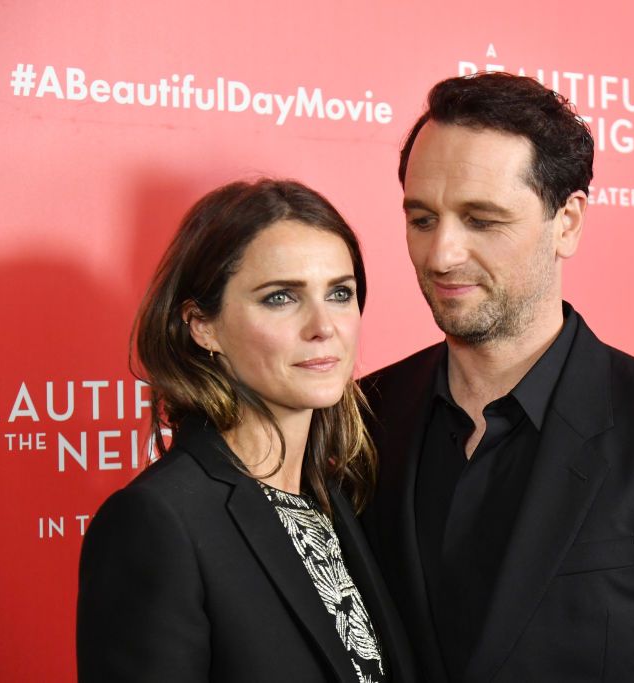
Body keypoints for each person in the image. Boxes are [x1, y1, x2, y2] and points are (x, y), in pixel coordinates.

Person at [361, 73, 634, 682]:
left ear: (568, 222)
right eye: (422, 219)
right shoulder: (364, 416)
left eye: (482, 220)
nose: (441, 254)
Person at [77, 179, 415, 682]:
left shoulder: (342, 498)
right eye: (281, 297)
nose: (324, 326)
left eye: (340, 293)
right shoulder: (159, 522)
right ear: (202, 325)